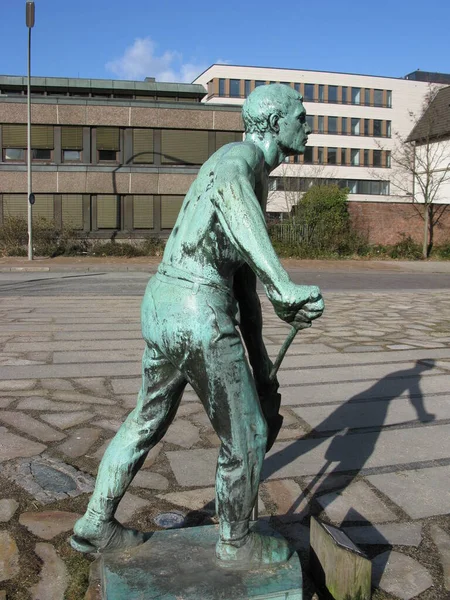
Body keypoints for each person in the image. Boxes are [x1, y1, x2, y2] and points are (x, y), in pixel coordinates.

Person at [71, 83, 324, 568]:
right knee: (247, 434)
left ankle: (95, 522)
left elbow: (244, 289)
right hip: (196, 308)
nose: (308, 125)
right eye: (301, 116)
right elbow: (234, 202)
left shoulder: (254, 180)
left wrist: (263, 364)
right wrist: (285, 286)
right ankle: (236, 543)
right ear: (274, 123)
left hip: (165, 304)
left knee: (146, 420)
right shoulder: (239, 160)